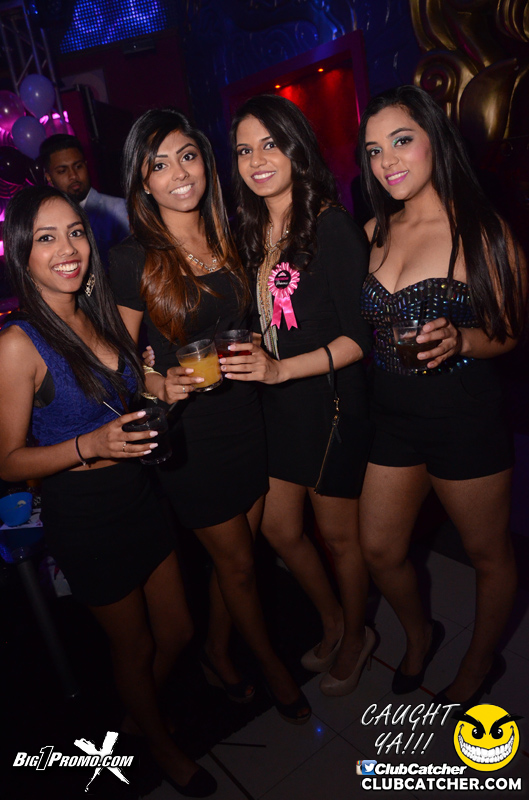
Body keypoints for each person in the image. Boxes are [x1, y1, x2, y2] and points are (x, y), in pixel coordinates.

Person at [0, 185, 216, 797]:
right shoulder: (17, 343)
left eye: (75, 232)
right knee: (135, 646)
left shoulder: (95, 312)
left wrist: (160, 384)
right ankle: (159, 743)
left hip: (138, 495)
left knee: (177, 630)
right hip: (85, 516)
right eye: (47, 238)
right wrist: (87, 446)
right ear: (22, 252)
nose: (67, 249)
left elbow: (121, 388)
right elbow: (7, 461)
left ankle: (137, 711)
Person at [109, 108, 310, 723]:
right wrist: (157, 382)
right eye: (159, 164)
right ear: (143, 182)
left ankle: (218, 653)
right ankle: (272, 666)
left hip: (247, 416)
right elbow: (118, 364)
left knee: (237, 560)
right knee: (241, 566)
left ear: (205, 162)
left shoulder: (232, 237)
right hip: (193, 440)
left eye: (188, 156)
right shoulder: (132, 259)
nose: (178, 173)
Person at [357, 85, 526, 708]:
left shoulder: (482, 229)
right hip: (392, 419)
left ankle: (480, 664)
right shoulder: (372, 230)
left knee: (488, 555)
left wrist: (462, 340)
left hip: (464, 418)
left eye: (401, 141)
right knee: (380, 550)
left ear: (435, 139)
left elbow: (510, 331)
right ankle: (420, 631)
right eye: (374, 150)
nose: (387, 161)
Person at [225, 94, 375, 696]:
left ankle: (358, 636)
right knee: (280, 530)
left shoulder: (331, 224)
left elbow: (360, 339)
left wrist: (282, 370)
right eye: (244, 150)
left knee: (339, 537)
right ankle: (333, 619)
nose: (257, 160)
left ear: (296, 147)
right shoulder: (251, 230)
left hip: (331, 400)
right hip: (277, 404)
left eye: (270, 144)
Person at [40, 134, 129, 267]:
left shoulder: (117, 208)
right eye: (62, 171)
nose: (73, 176)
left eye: (78, 166)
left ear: (86, 165)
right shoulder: (47, 219)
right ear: (49, 177)